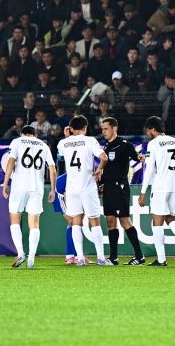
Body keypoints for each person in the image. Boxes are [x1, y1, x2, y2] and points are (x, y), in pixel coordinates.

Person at [56, 114, 110, 266]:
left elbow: (60, 157)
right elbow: (104, 157)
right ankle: (101, 258)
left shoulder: (63, 143)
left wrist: (67, 138)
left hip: (72, 189)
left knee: (76, 222)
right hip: (87, 187)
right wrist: (99, 169)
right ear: (85, 128)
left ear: (70, 128)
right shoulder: (90, 140)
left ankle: (79, 258)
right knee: (94, 221)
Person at [139, 115, 175, 266]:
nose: (147, 133)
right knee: (171, 219)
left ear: (153, 129)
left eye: (148, 130)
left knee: (157, 221)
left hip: (160, 186)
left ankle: (161, 259)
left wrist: (143, 192)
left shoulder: (153, 144)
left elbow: (149, 170)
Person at [2, 125, 56, 269]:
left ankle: (21, 253)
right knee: (34, 224)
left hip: (19, 186)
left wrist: (5, 183)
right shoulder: (43, 145)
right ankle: (31, 259)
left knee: (15, 219)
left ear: (22, 134)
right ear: (35, 134)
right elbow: (52, 169)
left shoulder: (17, 141)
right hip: (37, 188)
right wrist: (52, 189)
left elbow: (11, 161)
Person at [99, 116, 145, 265]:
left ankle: (139, 256)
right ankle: (113, 258)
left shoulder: (124, 144)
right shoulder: (106, 147)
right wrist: (101, 183)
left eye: (106, 129)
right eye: (102, 129)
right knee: (110, 221)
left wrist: (139, 156)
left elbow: (135, 155)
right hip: (108, 187)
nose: (103, 132)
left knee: (124, 220)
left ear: (114, 128)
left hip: (120, 187)